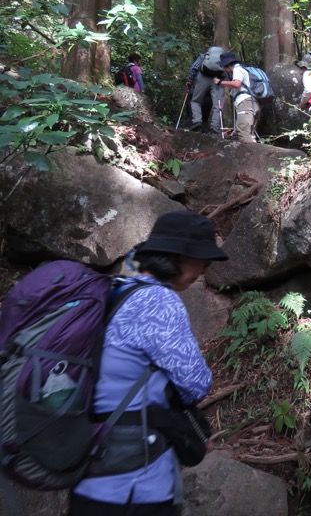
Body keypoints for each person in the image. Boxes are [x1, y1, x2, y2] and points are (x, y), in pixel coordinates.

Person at [69, 210, 228, 516]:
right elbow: (195, 384)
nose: (204, 270)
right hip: (136, 479)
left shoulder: (115, 291)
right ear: (180, 257)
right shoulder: (158, 302)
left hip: (89, 468)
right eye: (203, 260)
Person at [214, 52, 259, 143]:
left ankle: (249, 156)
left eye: (224, 67)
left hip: (246, 104)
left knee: (244, 134)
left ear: (228, 65)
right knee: (249, 134)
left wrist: (220, 82)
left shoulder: (237, 70)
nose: (225, 69)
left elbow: (236, 84)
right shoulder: (243, 69)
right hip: (252, 104)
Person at [187, 46, 226, 135]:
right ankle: (215, 128)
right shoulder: (223, 58)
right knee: (218, 105)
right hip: (218, 80)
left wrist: (190, 80)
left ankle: (197, 121)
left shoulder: (204, 56)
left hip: (202, 77)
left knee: (195, 101)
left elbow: (194, 68)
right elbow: (228, 71)